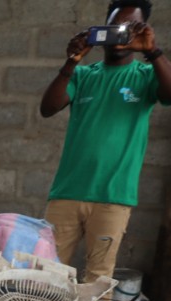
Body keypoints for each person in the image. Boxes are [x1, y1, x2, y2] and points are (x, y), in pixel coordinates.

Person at [40, 0, 171, 281]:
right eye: (115, 27)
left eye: (130, 28)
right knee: (45, 272)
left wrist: (153, 52)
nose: (121, 34)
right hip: (67, 192)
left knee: (98, 279)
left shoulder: (146, 75)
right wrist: (71, 61)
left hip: (113, 197)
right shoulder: (84, 75)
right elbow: (48, 108)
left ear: (143, 31)